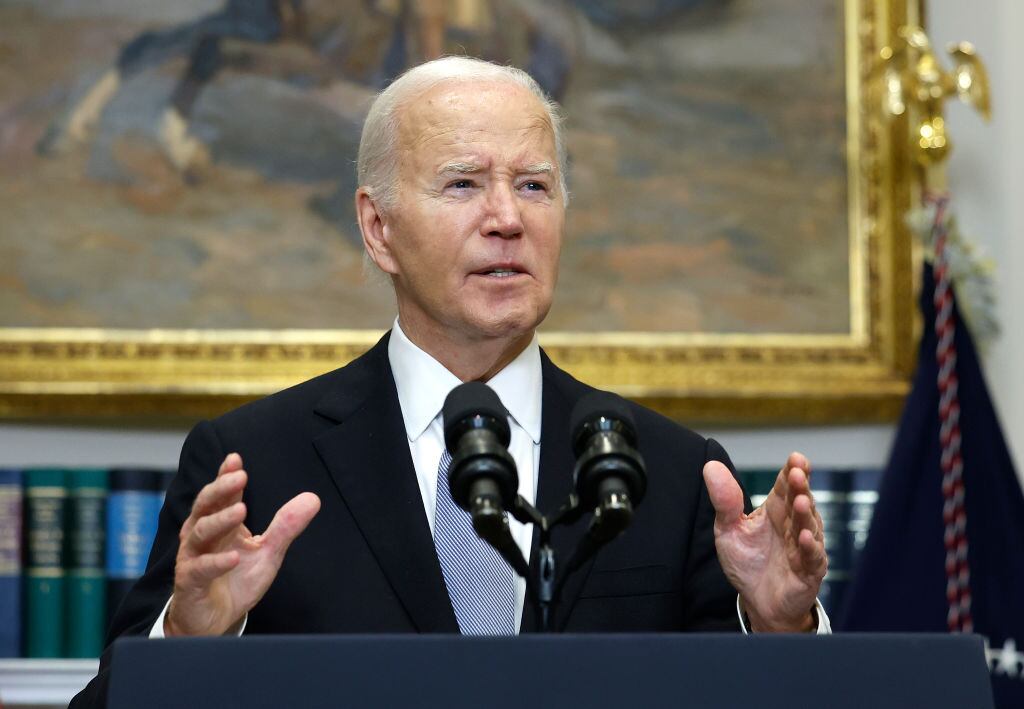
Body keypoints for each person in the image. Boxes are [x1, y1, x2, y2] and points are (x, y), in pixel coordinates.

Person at [70, 56, 828, 707]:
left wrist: (778, 625)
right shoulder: (254, 465)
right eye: (463, 184)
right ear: (379, 229)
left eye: (533, 186)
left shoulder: (668, 471)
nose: (506, 218)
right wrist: (191, 635)